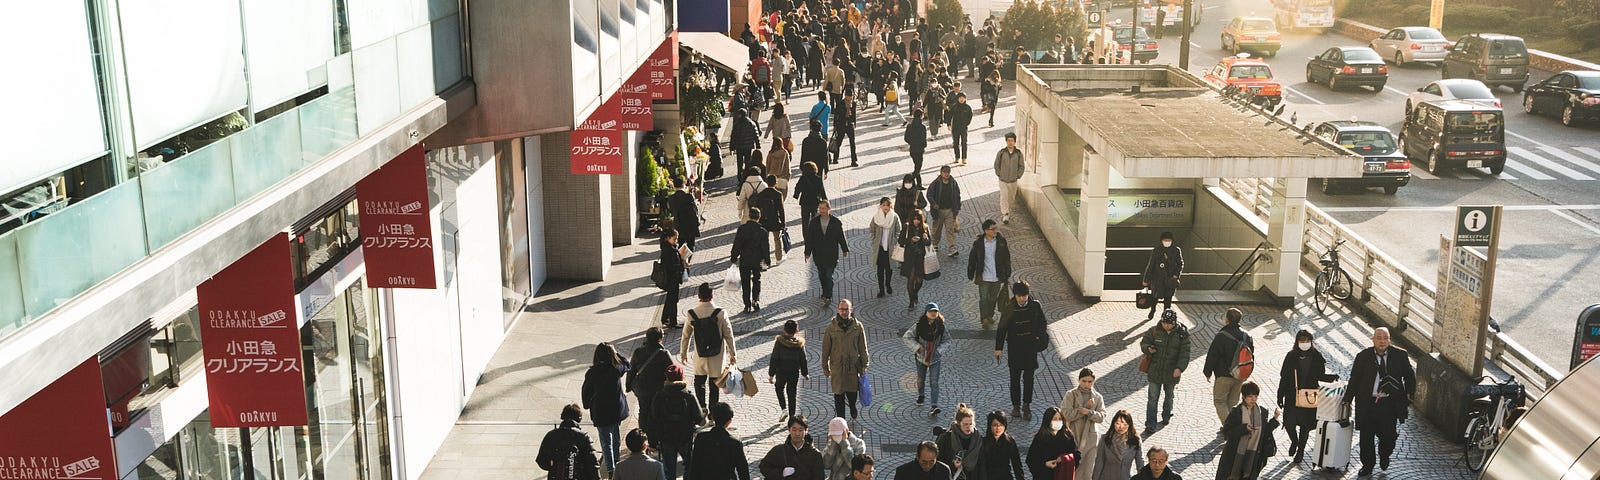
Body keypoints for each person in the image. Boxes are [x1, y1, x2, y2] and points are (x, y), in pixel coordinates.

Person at [1343, 327, 1415, 477]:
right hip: (1368, 403)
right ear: (1373, 339)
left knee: (1389, 437)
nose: (1382, 341)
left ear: (1389, 339)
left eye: (1385, 338)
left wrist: (1409, 393)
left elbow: (1409, 375)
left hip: (1390, 404)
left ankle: (1384, 454)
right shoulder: (1362, 356)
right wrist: (1347, 399)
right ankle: (1368, 465)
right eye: (1379, 338)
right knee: (1366, 438)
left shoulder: (1400, 355)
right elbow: (1354, 380)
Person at [1278, 330, 1339, 463]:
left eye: (1307, 340)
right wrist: (1280, 395)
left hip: (1309, 396)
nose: (1304, 343)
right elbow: (1284, 377)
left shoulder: (1316, 356)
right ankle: (1294, 441)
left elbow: (1320, 376)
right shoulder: (1291, 356)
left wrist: (1332, 377)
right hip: (1292, 395)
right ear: (1297, 342)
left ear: (1311, 341)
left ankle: (1300, 452)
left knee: (1305, 425)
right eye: (1302, 340)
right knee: (1289, 423)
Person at [995, 280, 1048, 420]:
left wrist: (1039, 337)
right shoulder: (1009, 307)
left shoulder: (1035, 306)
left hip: (1030, 348)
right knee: (1015, 379)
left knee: (1029, 379)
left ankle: (1027, 405)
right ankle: (1016, 406)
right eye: (1019, 296)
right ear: (1015, 295)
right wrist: (998, 348)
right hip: (1015, 348)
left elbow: (1043, 323)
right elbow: (1002, 328)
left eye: (1024, 296)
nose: (1022, 299)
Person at [681, 283, 737, 411]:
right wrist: (733, 355)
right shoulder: (721, 313)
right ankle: (713, 413)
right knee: (714, 386)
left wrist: (683, 354)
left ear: (698, 296)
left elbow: (685, 336)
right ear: (712, 296)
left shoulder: (692, 313)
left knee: (699, 382)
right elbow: (729, 335)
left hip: (700, 355)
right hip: (717, 356)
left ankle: (701, 407)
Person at [581, 342, 632, 475]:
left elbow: (586, 391)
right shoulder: (616, 369)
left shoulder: (592, 372)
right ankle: (616, 460)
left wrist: (587, 404)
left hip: (601, 411)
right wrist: (615, 353)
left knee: (606, 441)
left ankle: (611, 470)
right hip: (616, 409)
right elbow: (627, 364)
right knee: (615, 436)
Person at [1216, 382, 1280, 480]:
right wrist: (1243, 429)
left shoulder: (1262, 412)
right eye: (1250, 396)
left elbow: (1265, 431)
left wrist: (1275, 419)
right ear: (1244, 397)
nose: (1253, 399)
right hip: (1235, 454)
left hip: (1253, 455)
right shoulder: (1237, 412)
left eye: (1255, 396)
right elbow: (1227, 433)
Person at [1140, 310, 1191, 429]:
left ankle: (1166, 415)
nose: (1166, 325)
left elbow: (1185, 354)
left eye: (1169, 324)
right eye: (1164, 323)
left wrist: (1179, 368)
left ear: (1174, 323)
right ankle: (1150, 424)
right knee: (1152, 398)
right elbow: (1144, 343)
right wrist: (1148, 348)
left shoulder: (1182, 334)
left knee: (1169, 395)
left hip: (1171, 371)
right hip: (1155, 370)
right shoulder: (1154, 331)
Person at [651, 365, 702, 480]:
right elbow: (699, 418)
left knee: (668, 469)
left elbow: (654, 419)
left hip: (666, 437)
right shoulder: (688, 395)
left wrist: (653, 442)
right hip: (685, 437)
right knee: (689, 466)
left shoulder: (659, 395)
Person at [1203, 308, 1253, 424]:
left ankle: (1231, 428)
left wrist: (1207, 372)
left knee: (1220, 401)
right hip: (1240, 375)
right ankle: (1233, 427)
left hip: (1223, 374)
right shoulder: (1247, 336)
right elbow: (1251, 356)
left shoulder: (1222, 336)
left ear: (1227, 319)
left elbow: (1213, 355)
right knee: (1232, 403)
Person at [822, 301, 870, 419]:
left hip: (852, 366)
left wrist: (864, 364)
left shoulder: (857, 327)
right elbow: (825, 348)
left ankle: (852, 406)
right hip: (837, 367)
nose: (844, 312)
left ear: (851, 310)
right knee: (838, 394)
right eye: (841, 309)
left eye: (846, 309)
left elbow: (862, 347)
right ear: (838, 310)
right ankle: (841, 421)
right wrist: (825, 366)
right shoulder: (831, 328)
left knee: (852, 393)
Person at [903, 303, 949, 415]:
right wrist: (917, 347)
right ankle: (921, 395)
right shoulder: (919, 326)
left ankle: (934, 405)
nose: (933, 313)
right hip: (921, 358)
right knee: (920, 379)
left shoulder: (941, 327)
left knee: (934, 382)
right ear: (926, 313)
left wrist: (939, 350)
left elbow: (947, 340)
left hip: (935, 359)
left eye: (935, 311)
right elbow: (907, 337)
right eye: (931, 311)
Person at [1061, 368, 1108, 476]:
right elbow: (1065, 414)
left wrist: (1090, 412)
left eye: (1090, 382)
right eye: (1084, 381)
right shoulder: (1070, 394)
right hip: (1074, 434)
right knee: (1073, 469)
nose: (1086, 384)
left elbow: (1102, 416)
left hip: (1090, 438)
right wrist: (1082, 410)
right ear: (1079, 380)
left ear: (1093, 382)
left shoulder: (1098, 397)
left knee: (1088, 471)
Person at [966, 220, 1012, 330]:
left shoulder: (1001, 241)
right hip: (984, 276)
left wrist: (1007, 272)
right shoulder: (979, 243)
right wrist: (971, 272)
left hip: (997, 276)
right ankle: (984, 319)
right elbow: (973, 259)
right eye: (993, 229)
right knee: (984, 298)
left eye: (996, 228)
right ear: (986, 231)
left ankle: (989, 315)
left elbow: (1006, 258)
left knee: (993, 298)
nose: (995, 230)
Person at [538, 404, 601, 480]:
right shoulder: (583, 437)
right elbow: (592, 465)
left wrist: (554, 466)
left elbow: (541, 461)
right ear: (579, 419)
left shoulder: (551, 435)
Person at [628, 327, 671, 437]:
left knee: (643, 411)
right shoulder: (664, 354)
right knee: (656, 412)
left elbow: (631, 370)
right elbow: (671, 371)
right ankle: (655, 437)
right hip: (658, 389)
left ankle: (642, 435)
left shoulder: (638, 351)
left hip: (642, 389)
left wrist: (629, 385)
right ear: (660, 338)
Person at [691, 402, 751, 480]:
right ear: (729, 421)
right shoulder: (735, 443)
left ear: (712, 417)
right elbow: (743, 471)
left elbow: (694, 466)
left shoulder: (701, 438)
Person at [804, 200, 850, 302]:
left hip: (831, 254)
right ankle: (824, 291)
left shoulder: (836, 222)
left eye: (824, 208)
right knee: (821, 275)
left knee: (829, 275)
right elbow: (809, 239)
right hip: (818, 254)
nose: (821, 210)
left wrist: (845, 249)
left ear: (829, 209)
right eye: (820, 208)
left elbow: (841, 237)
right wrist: (807, 252)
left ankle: (828, 295)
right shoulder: (814, 222)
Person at [732, 207, 774, 313]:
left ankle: (747, 305)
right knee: (757, 280)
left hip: (745, 259)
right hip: (757, 260)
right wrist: (767, 261)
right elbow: (765, 247)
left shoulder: (742, 229)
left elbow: (737, 244)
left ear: (749, 216)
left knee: (745, 282)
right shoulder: (763, 231)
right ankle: (756, 300)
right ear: (759, 217)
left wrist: (733, 257)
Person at [770, 320, 812, 423]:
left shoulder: (779, 342)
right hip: (794, 372)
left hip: (781, 371)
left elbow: (774, 358)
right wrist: (805, 373)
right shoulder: (799, 344)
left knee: (779, 388)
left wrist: (771, 374)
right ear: (797, 330)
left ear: (784, 330)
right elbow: (803, 359)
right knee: (792, 393)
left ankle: (784, 409)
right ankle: (792, 416)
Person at [761, 416, 827, 480]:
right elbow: (764, 467)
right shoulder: (778, 450)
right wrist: (781, 473)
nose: (797, 433)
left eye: (800, 430)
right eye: (794, 429)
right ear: (789, 430)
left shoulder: (815, 454)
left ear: (806, 430)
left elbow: (819, 477)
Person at [1028, 406, 1082, 480]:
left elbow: (1077, 455)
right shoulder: (1041, 437)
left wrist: (1064, 459)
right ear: (1048, 421)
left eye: (1060, 419)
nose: (1058, 421)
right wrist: (1045, 464)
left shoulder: (1067, 435)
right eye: (1054, 419)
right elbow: (1031, 459)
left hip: (1062, 475)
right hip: (1045, 476)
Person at [935, 404, 984, 480]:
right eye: (965, 424)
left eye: (971, 424)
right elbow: (937, 462)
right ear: (958, 423)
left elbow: (982, 463)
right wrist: (953, 465)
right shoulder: (946, 438)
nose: (969, 427)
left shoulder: (977, 438)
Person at [1090, 411, 1144, 480]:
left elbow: (1140, 463)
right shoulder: (1105, 439)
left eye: (1125, 424)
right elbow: (1099, 462)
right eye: (1118, 423)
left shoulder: (1135, 441)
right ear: (1113, 423)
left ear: (1129, 425)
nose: (1121, 427)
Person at [1141, 232, 1183, 320]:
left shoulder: (1176, 250)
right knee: (1154, 297)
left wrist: (1176, 275)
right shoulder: (1157, 250)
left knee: (1168, 300)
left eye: (1169, 240)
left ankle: (1165, 317)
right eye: (1165, 240)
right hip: (1157, 279)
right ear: (1161, 241)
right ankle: (1153, 310)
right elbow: (1151, 265)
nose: (1167, 242)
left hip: (1170, 279)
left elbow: (1180, 264)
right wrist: (1146, 279)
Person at [869, 198, 902, 298]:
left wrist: (894, 240)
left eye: (887, 205)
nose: (885, 207)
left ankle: (888, 284)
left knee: (889, 269)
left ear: (890, 206)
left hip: (890, 247)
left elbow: (898, 230)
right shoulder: (876, 217)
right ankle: (881, 289)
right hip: (879, 247)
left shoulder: (894, 217)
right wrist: (874, 239)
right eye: (883, 205)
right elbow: (872, 229)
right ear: (880, 206)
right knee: (880, 270)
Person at [978, 411, 1027, 480]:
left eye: (1001, 425)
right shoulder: (984, 442)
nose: (998, 428)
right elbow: (980, 465)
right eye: (995, 425)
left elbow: (1017, 465)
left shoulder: (1009, 441)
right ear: (990, 426)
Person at [899, 210, 932, 309]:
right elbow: (900, 240)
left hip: (920, 257)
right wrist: (911, 240)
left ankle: (915, 293)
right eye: (914, 219)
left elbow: (929, 243)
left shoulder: (925, 228)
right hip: (909, 257)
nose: (916, 221)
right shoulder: (907, 227)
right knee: (911, 278)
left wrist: (925, 239)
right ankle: (911, 302)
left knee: (919, 280)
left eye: (918, 219)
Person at [658, 229, 690, 328]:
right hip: (671, 278)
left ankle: (666, 319)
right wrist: (682, 266)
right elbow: (669, 266)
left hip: (673, 278)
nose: (676, 241)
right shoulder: (668, 250)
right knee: (672, 300)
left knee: (670, 299)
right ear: (667, 238)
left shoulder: (670, 247)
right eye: (674, 239)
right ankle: (672, 321)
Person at [926, 166, 961, 256]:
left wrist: (957, 208)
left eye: (948, 172)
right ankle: (934, 244)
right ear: (941, 172)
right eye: (944, 172)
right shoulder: (936, 183)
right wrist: (934, 204)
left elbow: (957, 195)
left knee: (950, 229)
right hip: (938, 211)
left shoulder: (953, 183)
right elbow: (929, 194)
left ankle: (951, 248)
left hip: (949, 210)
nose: (946, 174)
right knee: (937, 229)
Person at [756, 175, 789, 265]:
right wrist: (783, 222)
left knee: (764, 241)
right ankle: (778, 259)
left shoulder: (762, 193)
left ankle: (764, 261)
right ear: (776, 183)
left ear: (766, 182)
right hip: (775, 220)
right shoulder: (778, 194)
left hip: (764, 220)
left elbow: (758, 207)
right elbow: (781, 210)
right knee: (777, 240)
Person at [993, 133, 1024, 224]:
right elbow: (996, 164)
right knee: (1004, 196)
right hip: (1003, 180)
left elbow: (1021, 166)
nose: (1010, 143)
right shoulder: (1001, 152)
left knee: (1011, 198)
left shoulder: (1018, 153)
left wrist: (1018, 175)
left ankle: (1008, 211)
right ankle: (1005, 213)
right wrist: (999, 174)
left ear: (1014, 142)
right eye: (1008, 141)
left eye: (1012, 141)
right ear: (1006, 141)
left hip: (1013, 180)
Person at [667, 177, 701, 251]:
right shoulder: (689, 196)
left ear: (674, 186)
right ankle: (688, 260)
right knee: (691, 245)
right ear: (683, 185)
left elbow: (671, 210)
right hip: (690, 224)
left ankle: (681, 260)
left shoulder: (671, 198)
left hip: (679, 224)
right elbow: (694, 210)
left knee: (680, 244)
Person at [795, 161, 827, 229]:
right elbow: (822, 190)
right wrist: (825, 199)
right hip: (815, 201)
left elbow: (798, 188)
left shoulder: (803, 178)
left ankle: (806, 236)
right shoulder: (818, 178)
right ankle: (814, 234)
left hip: (805, 202)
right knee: (815, 219)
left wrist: (796, 195)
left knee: (805, 221)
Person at [831, 89, 859, 167]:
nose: (850, 98)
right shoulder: (840, 103)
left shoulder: (853, 103)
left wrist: (854, 123)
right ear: (846, 96)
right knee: (838, 142)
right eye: (849, 96)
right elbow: (836, 115)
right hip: (841, 125)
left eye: (852, 96)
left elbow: (854, 114)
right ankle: (835, 158)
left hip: (850, 125)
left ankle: (854, 160)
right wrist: (835, 125)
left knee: (852, 143)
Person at [732, 109, 763, 178]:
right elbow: (756, 134)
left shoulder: (737, 124)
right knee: (747, 161)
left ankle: (739, 175)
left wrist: (732, 146)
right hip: (748, 146)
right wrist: (758, 145)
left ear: (740, 115)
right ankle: (746, 175)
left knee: (739, 162)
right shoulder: (751, 123)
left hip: (739, 146)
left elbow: (733, 135)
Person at [948, 93, 973, 165]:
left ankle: (964, 158)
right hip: (955, 127)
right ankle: (957, 157)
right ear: (958, 99)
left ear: (965, 99)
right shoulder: (954, 107)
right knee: (956, 143)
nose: (961, 99)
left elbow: (970, 116)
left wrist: (967, 123)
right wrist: (949, 124)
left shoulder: (967, 107)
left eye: (963, 98)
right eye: (960, 98)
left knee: (964, 143)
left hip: (964, 128)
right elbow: (949, 115)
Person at [904, 110, 928, 186]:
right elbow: (924, 139)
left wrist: (911, 143)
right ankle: (909, 181)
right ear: (921, 116)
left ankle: (919, 184)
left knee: (916, 166)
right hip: (919, 150)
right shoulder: (922, 127)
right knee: (918, 168)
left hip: (912, 149)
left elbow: (906, 138)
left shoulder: (909, 126)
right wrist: (923, 145)